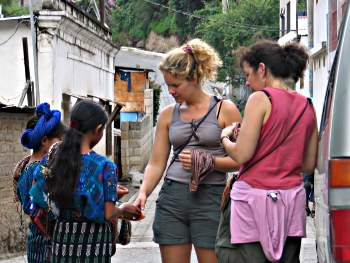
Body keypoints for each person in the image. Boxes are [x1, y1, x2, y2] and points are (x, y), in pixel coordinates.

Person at [133, 38, 241, 263]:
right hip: (172, 198)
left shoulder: (225, 109)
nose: (171, 91)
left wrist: (207, 160)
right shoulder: (167, 115)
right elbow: (156, 162)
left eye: (176, 85)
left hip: (211, 197)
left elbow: (242, 160)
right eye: (168, 85)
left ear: (194, 78)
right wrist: (143, 192)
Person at [218, 40, 318, 262]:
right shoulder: (307, 106)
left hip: (253, 202)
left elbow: (242, 154)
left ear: (262, 69)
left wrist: (225, 137)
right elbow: (309, 164)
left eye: (247, 74)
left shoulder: (261, 99)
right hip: (291, 202)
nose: (247, 81)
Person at [30, 100, 141, 262]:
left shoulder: (55, 160)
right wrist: (123, 209)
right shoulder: (105, 166)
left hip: (62, 242)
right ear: (98, 130)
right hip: (94, 245)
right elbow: (109, 213)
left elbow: (38, 193)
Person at [13, 102, 66, 263]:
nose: (63, 144)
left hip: (35, 243)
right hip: (50, 246)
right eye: (60, 139)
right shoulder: (45, 171)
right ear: (44, 140)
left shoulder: (22, 168)